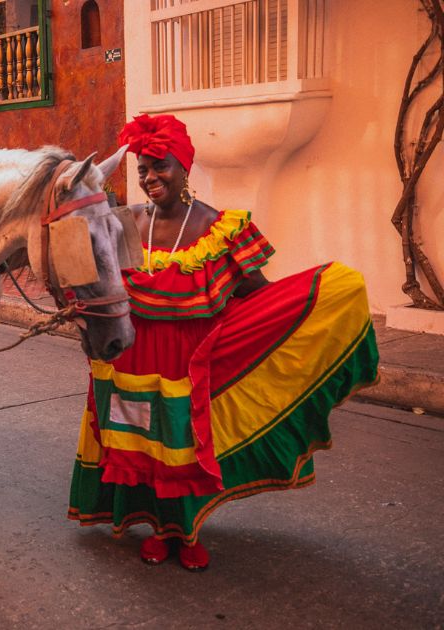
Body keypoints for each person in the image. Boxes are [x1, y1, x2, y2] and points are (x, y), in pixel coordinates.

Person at [67, 114, 379, 571]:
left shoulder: (220, 229)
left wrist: (297, 318)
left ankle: (187, 532)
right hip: (134, 360)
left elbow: (260, 294)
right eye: (143, 170)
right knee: (142, 445)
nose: (151, 178)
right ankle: (158, 528)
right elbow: (97, 280)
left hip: (190, 366)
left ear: (184, 168)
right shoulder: (127, 223)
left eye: (161, 167)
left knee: (185, 449)